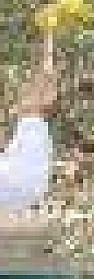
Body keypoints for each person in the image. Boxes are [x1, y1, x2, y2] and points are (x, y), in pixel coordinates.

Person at [0, 52, 57, 211]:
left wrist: (48, 43)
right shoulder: (30, 127)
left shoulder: (33, 124)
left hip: (20, 185)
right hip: (26, 189)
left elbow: (47, 78)